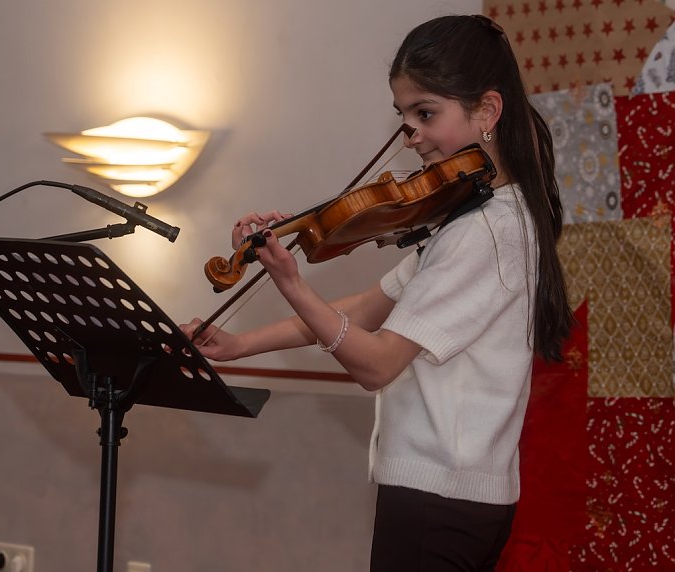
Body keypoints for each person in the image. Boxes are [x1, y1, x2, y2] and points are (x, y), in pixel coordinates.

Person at [182, 14, 573, 572]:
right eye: (404, 116)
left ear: (487, 111)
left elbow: (377, 364)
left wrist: (292, 283)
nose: (410, 134)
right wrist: (240, 344)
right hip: (455, 500)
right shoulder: (479, 219)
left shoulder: (486, 232)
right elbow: (364, 309)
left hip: (439, 502)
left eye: (425, 113)